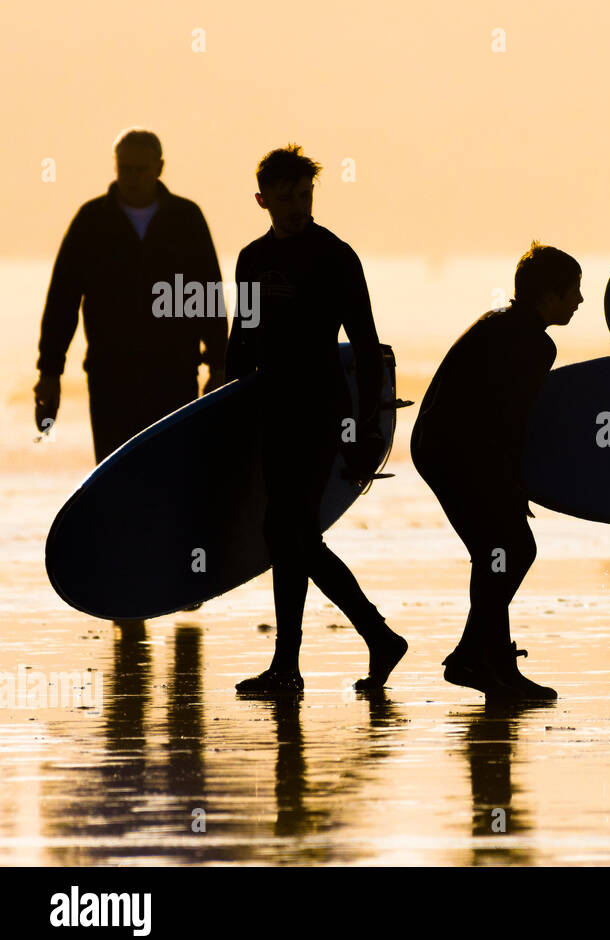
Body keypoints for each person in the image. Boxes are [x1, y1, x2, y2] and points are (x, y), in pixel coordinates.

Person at [226, 144, 406, 695]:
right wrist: (218, 409)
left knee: (291, 532)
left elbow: (367, 344)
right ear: (262, 200)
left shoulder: (334, 256)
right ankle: (338, 649)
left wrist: (368, 429)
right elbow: (243, 340)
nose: (298, 205)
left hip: (320, 411)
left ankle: (311, 657)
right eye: (286, 197)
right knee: (288, 535)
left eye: (305, 194)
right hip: (270, 412)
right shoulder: (251, 259)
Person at [411, 242, 582, 702]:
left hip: (443, 446)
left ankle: (493, 666)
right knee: (512, 549)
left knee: (497, 552)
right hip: (455, 452)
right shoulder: (531, 342)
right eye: (574, 292)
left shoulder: (503, 322)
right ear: (549, 296)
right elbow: (509, 420)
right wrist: (513, 484)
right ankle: (473, 657)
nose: (580, 301)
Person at [35, 129, 227, 462]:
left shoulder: (186, 218)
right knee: (116, 473)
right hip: (110, 377)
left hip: (175, 374)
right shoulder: (91, 220)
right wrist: (50, 373)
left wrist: (220, 365)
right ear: (115, 167)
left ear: (159, 167)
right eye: (125, 169)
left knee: (174, 469)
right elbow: (62, 300)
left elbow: (208, 295)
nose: (133, 177)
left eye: (141, 169)